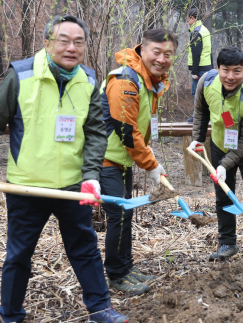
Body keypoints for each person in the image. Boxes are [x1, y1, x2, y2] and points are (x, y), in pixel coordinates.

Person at [0, 15, 128, 322]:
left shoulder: (89, 80)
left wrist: (91, 176)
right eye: (63, 40)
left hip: (72, 186)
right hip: (27, 186)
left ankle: (100, 309)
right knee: (18, 255)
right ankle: (10, 313)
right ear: (48, 42)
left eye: (79, 42)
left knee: (85, 248)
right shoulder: (20, 76)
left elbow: (94, 133)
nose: (71, 48)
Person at [99, 29, 175, 295]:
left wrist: (148, 158)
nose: (162, 59)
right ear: (142, 49)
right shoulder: (125, 80)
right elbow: (125, 130)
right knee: (119, 215)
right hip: (105, 158)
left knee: (126, 213)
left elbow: (143, 125)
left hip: (122, 160)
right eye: (156, 51)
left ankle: (126, 266)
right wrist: (151, 165)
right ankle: (117, 275)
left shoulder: (149, 81)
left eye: (168, 54)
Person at [189, 46, 243, 260]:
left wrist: (224, 165)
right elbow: (201, 110)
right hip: (220, 144)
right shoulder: (206, 82)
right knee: (223, 195)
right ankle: (227, 243)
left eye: (236, 71)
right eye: (225, 70)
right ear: (217, 68)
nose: (230, 76)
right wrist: (198, 139)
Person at [186, 8, 213, 123]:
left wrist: (194, 71)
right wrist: (212, 67)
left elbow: (196, 53)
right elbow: (209, 50)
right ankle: (205, 116)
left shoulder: (196, 32)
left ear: (192, 18)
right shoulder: (205, 30)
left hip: (200, 68)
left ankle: (198, 116)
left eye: (188, 19)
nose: (187, 21)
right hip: (207, 67)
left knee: (196, 93)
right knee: (206, 93)